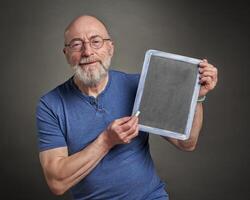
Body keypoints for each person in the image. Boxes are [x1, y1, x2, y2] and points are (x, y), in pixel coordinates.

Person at [36, 15, 218, 200]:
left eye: (96, 41)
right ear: (66, 53)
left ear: (110, 48)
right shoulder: (50, 105)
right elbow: (57, 182)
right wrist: (106, 141)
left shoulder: (139, 85)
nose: (87, 52)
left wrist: (198, 97)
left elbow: (186, 143)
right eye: (76, 44)